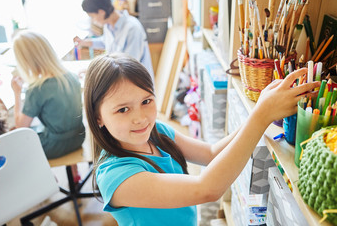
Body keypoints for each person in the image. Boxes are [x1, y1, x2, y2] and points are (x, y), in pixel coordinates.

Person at [83, 53, 320, 225]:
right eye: (123, 110)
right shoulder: (116, 176)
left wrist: (260, 112)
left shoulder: (156, 132)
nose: (140, 118)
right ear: (98, 117)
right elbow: (206, 189)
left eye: (146, 101)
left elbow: (211, 153)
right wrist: (261, 115)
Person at [11, 30, 85, 160]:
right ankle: (74, 171)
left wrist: (17, 93)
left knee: (15, 138)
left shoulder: (37, 89)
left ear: (25, 60)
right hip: (79, 138)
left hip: (54, 146)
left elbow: (20, 127)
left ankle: (47, 177)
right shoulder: (71, 77)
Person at [73, 0, 154, 80]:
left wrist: (93, 71)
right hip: (121, 81)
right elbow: (105, 41)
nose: (93, 21)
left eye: (92, 16)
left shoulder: (132, 29)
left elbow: (128, 67)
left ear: (101, 12)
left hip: (137, 84)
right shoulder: (108, 26)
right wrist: (84, 42)